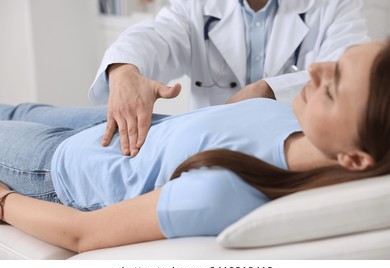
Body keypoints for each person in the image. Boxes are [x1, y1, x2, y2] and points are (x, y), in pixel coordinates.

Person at [1, 41, 389, 253]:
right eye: (337, 63)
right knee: (11, 107)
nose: (317, 69)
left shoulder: (228, 190)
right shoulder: (302, 123)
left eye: (333, 86)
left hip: (57, 169)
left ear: (353, 158)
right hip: (111, 126)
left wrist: (4, 203)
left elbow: (81, 234)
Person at [89, 0, 369, 157]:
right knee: (51, 120)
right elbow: (157, 35)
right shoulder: (198, 5)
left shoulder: (335, 6)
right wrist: (124, 68)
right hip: (202, 146)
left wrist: (270, 91)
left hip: (282, 151)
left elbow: (351, 75)